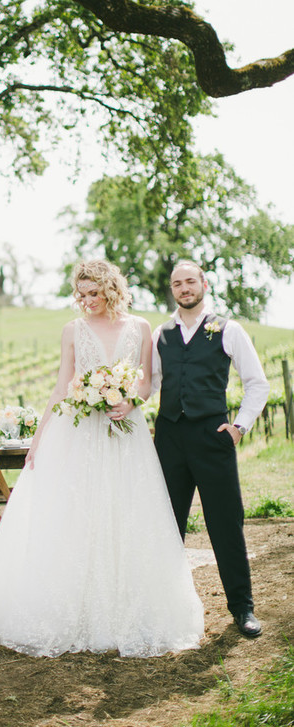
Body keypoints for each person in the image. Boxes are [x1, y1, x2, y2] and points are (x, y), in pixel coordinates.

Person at [0, 260, 204, 658]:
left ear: (111, 289)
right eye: (81, 294)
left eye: (94, 292)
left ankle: (129, 609)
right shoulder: (72, 330)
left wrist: (129, 401)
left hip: (125, 435)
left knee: (127, 513)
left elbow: (146, 380)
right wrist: (39, 439)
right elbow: (63, 384)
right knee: (76, 514)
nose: (87, 300)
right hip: (77, 433)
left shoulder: (141, 327)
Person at [151, 260, 269, 639]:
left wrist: (239, 427)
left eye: (190, 281)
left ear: (203, 283)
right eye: (177, 284)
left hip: (212, 437)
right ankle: (162, 609)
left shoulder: (228, 329)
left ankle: (242, 608)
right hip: (169, 440)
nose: (184, 288)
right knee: (167, 526)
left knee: (225, 524)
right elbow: (150, 384)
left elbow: (258, 383)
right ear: (172, 290)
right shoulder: (161, 334)